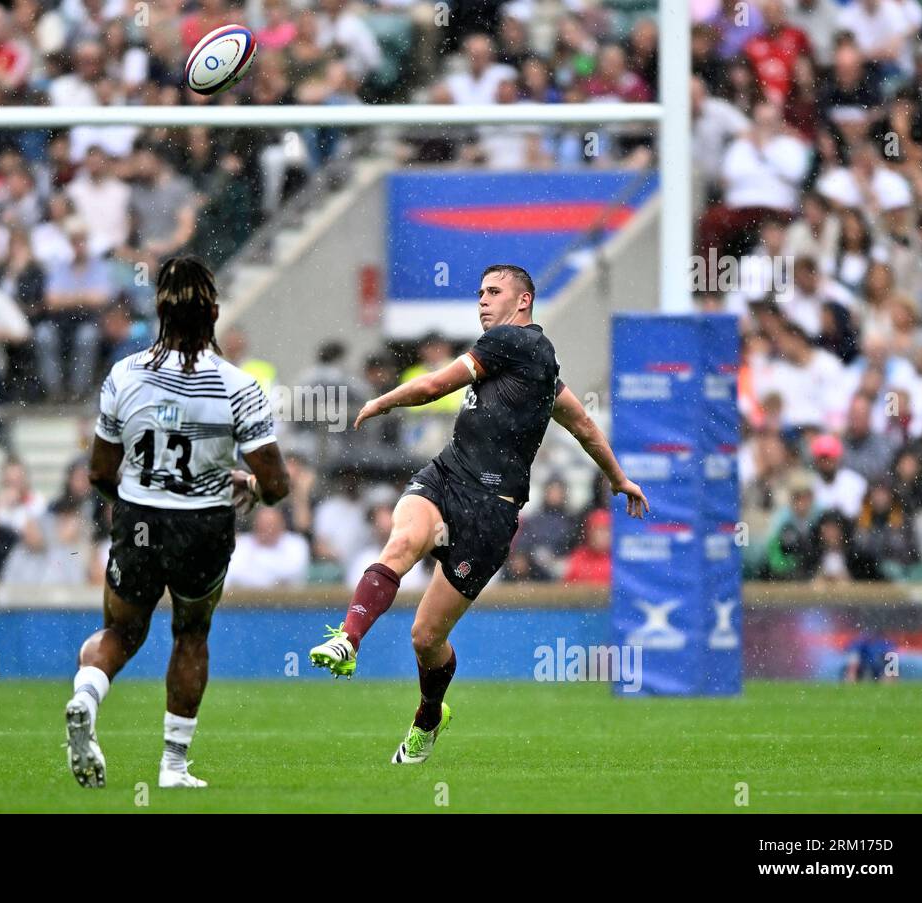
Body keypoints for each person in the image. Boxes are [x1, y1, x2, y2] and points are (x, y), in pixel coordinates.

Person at [308, 264, 648, 765]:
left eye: (494, 292)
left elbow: (431, 388)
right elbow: (584, 426)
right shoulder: (531, 367)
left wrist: (381, 401)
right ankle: (348, 638)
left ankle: (429, 715)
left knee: (426, 638)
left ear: (523, 301)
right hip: (446, 478)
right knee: (401, 543)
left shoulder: (519, 344)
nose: (482, 301)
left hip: (491, 513)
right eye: (480, 292)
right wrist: (618, 477)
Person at [65, 257, 289, 791]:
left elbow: (99, 470)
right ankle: (173, 767)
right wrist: (250, 486)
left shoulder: (124, 374)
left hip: (139, 521)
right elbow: (277, 485)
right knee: (190, 633)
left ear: (158, 313)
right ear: (214, 312)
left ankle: (85, 695)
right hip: (203, 528)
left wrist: (135, 499)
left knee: (121, 631)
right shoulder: (238, 386)